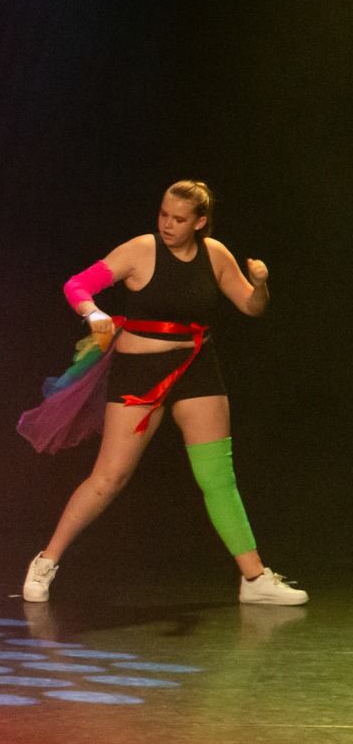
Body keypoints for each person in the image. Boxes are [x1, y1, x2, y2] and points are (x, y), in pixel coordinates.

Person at [18, 181, 302, 605]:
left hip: (196, 367)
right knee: (110, 478)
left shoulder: (215, 255)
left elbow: (251, 306)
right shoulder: (140, 250)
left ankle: (254, 577)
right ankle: (46, 561)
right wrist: (92, 313)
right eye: (164, 215)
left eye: (179, 219)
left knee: (218, 478)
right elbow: (77, 285)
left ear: (199, 223)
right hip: (141, 374)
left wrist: (260, 284)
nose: (168, 225)